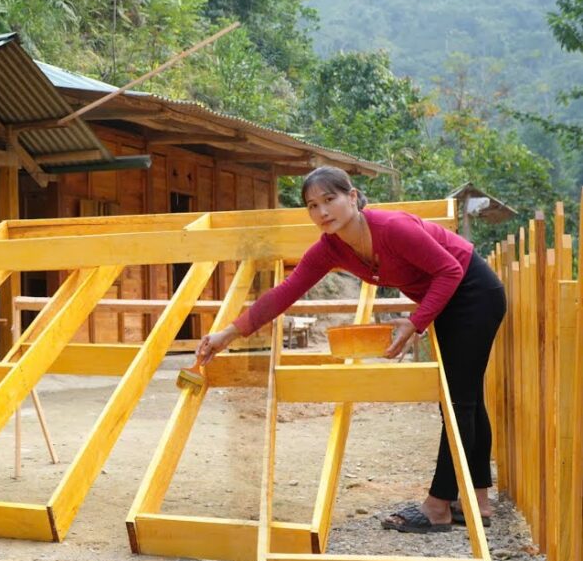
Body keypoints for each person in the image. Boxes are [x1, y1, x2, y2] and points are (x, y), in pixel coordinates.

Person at [196, 166, 507, 534]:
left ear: (353, 196)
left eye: (330, 199)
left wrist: (415, 322)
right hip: (449, 300)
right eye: (312, 206)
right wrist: (228, 334)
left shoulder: (392, 228)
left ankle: (438, 505)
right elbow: (285, 292)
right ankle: (479, 503)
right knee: (466, 398)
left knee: (457, 403)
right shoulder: (331, 249)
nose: (322, 212)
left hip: (474, 294)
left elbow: (450, 270)